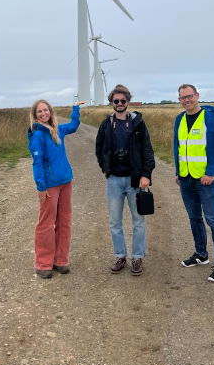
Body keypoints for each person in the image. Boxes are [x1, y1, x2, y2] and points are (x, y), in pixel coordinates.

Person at [95, 84, 155, 276]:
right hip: (113, 179)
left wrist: (146, 174)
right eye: (116, 101)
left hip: (134, 180)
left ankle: (137, 257)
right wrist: (105, 168)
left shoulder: (138, 123)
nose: (119, 104)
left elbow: (147, 150)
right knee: (114, 221)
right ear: (111, 102)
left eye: (123, 100)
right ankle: (120, 255)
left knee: (138, 220)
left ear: (128, 102)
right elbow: (99, 148)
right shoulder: (106, 124)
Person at [174, 84, 214, 282]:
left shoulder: (210, 117)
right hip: (186, 178)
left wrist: (212, 173)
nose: (186, 100)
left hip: (204, 180)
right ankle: (201, 255)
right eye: (182, 98)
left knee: (213, 220)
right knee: (194, 218)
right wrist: (177, 172)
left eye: (189, 96)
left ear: (197, 96)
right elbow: (178, 147)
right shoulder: (179, 119)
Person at [28, 99, 87, 279]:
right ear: (35, 115)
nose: (44, 113)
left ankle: (60, 260)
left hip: (65, 181)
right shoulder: (37, 135)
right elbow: (37, 162)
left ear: (51, 112)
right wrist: (41, 186)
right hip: (50, 185)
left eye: (46, 110)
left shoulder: (58, 129)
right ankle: (43, 264)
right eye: (40, 111)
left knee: (64, 222)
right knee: (46, 224)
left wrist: (75, 109)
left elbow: (74, 126)